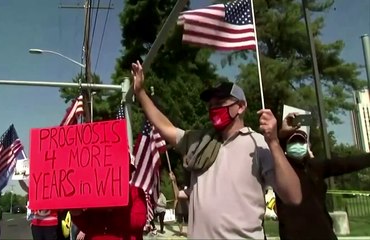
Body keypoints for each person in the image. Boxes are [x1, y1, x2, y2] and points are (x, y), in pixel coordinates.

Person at [131, 60, 302, 239]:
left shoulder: (258, 143)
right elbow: (166, 127)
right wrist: (140, 92)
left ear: (241, 106)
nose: (214, 108)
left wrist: (274, 141)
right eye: (211, 105)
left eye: (221, 102)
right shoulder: (199, 141)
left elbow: (294, 196)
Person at [275, 113, 370, 240]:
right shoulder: (278, 169)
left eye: (301, 141)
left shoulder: (315, 167)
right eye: (293, 142)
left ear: (307, 146)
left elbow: (346, 163)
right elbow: (272, 147)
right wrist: (281, 134)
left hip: (323, 234)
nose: (297, 145)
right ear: (286, 147)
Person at [70, 156, 147, 240]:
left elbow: (139, 222)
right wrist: (77, 214)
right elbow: (88, 225)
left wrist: (114, 208)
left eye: (128, 169)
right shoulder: (97, 192)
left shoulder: (136, 192)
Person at [168, 172, 189, 236]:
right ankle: (181, 231)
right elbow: (177, 196)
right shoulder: (182, 191)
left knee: (185, 221)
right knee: (180, 221)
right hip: (181, 209)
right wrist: (174, 181)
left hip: (186, 209)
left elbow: (177, 196)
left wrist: (174, 181)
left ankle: (183, 232)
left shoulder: (187, 191)